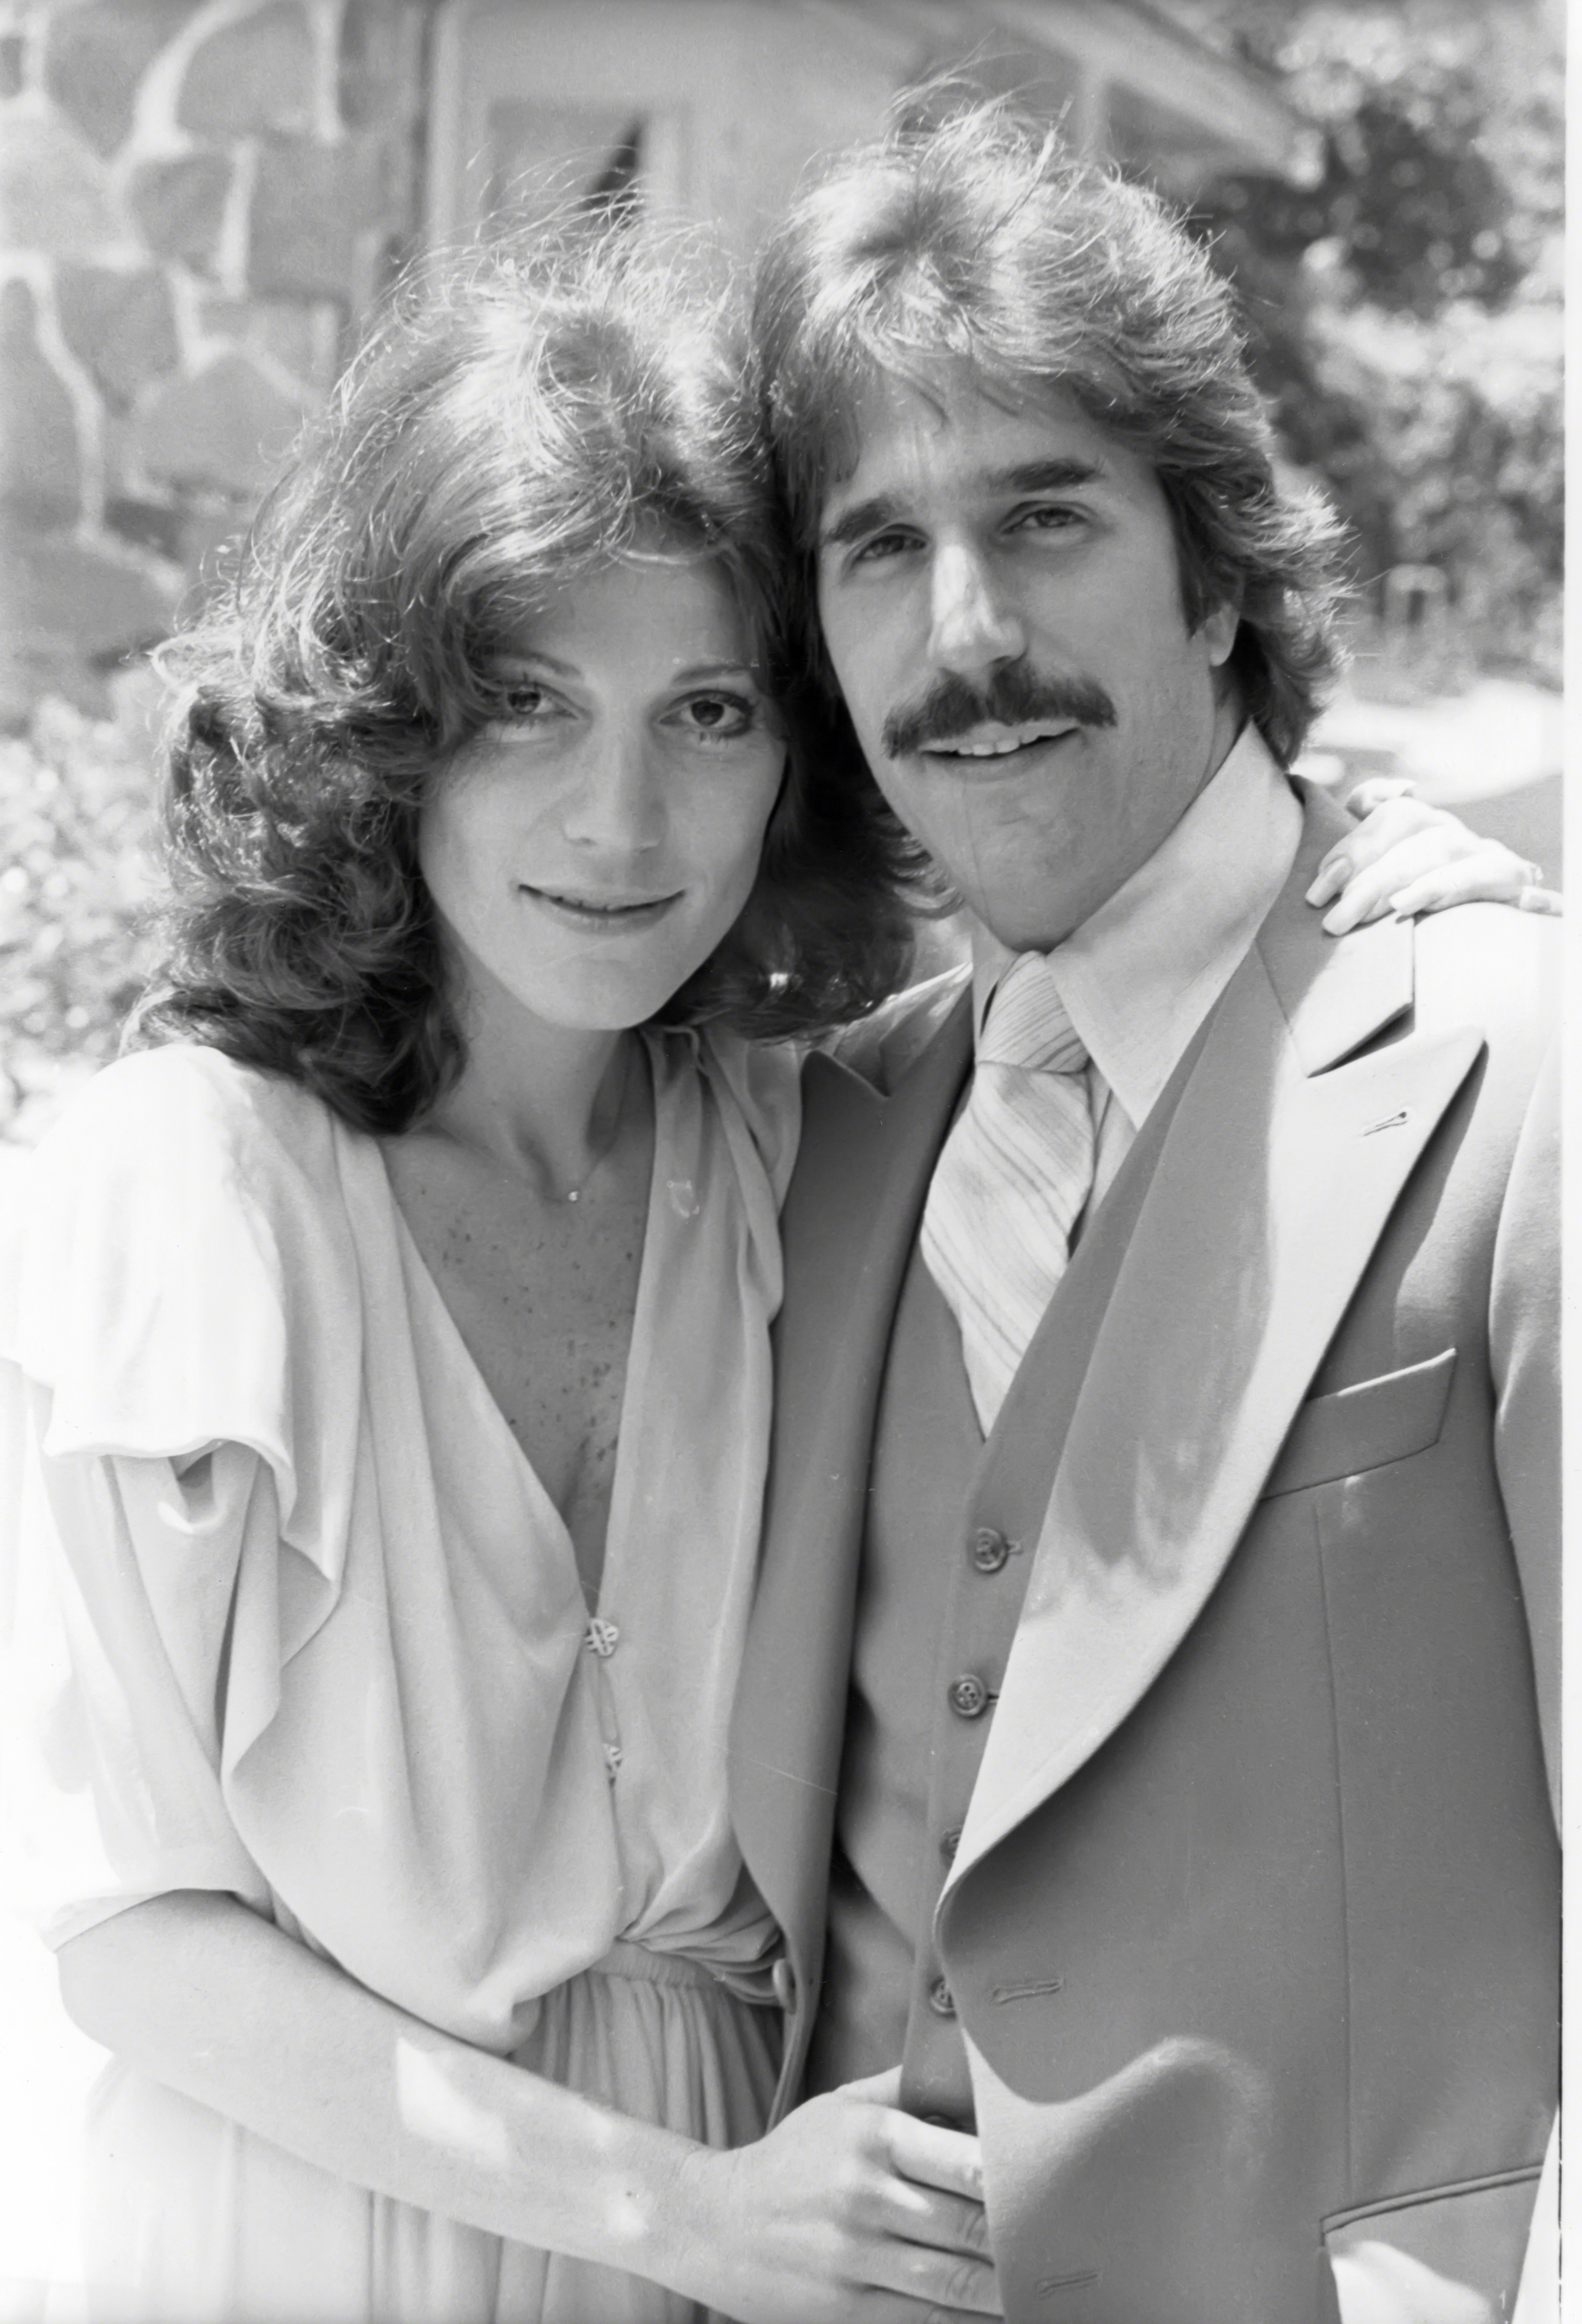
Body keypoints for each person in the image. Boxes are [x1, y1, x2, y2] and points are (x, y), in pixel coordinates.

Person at [0, 216, 1537, 2324]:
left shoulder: (799, 1136)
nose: (616, 815)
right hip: (343, 2241)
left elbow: (1180, 964)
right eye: (521, 700)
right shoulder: (219, 1193)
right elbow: (121, 1922)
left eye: (706, 707)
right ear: (391, 725)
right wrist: (673, 2215)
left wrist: (1382, 901)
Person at [727, 96, 1560, 2324]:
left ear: (1215, 575)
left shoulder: (1518, 1060)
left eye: (1043, 515)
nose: (965, 632)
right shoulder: (827, 1138)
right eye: (876, 549)